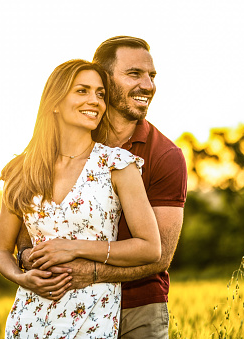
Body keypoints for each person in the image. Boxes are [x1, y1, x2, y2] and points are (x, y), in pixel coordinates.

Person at [17, 36, 188, 338]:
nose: (148, 85)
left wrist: (90, 272)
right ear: (104, 79)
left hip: (139, 309)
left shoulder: (165, 156)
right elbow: (27, 227)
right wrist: (25, 258)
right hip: (60, 306)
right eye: (134, 74)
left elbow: (159, 255)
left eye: (152, 76)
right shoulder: (64, 145)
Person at [0, 59, 162, 338]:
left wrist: (74, 248)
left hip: (93, 316)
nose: (94, 101)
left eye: (100, 94)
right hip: (29, 318)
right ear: (55, 102)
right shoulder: (22, 170)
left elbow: (149, 248)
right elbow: (1, 250)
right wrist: (23, 278)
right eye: (82, 91)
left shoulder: (118, 165)